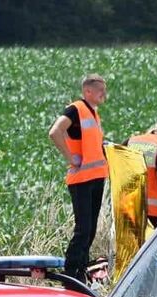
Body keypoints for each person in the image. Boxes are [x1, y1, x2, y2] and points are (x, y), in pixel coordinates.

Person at [49, 74, 108, 282]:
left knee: (90, 231)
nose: (104, 93)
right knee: (83, 230)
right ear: (87, 91)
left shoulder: (93, 113)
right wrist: (70, 158)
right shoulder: (76, 109)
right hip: (81, 179)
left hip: (96, 177)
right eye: (100, 90)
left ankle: (81, 273)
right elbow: (55, 132)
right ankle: (70, 273)